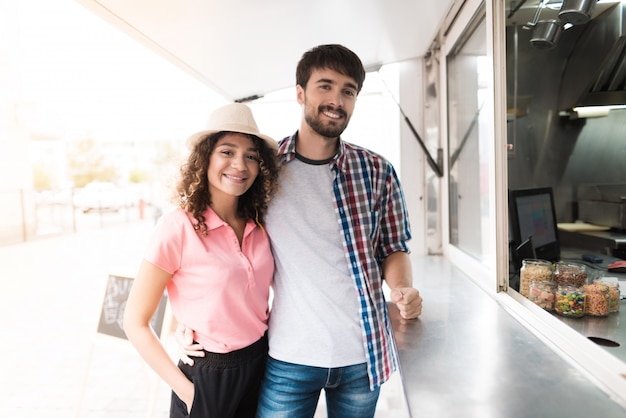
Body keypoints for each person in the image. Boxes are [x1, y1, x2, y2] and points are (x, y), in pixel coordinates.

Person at [178, 44, 423, 418]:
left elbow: (393, 247)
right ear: (300, 93)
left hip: (364, 356)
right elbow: (214, 241)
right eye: (324, 86)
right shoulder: (264, 171)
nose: (336, 100)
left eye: (347, 90)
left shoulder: (378, 171)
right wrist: (190, 321)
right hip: (289, 357)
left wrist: (402, 289)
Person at [123, 103, 280, 418]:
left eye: (251, 155)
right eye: (227, 151)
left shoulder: (261, 223)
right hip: (208, 378)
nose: (240, 164)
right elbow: (134, 322)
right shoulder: (177, 227)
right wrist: (188, 392)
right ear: (205, 157)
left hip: (262, 364)